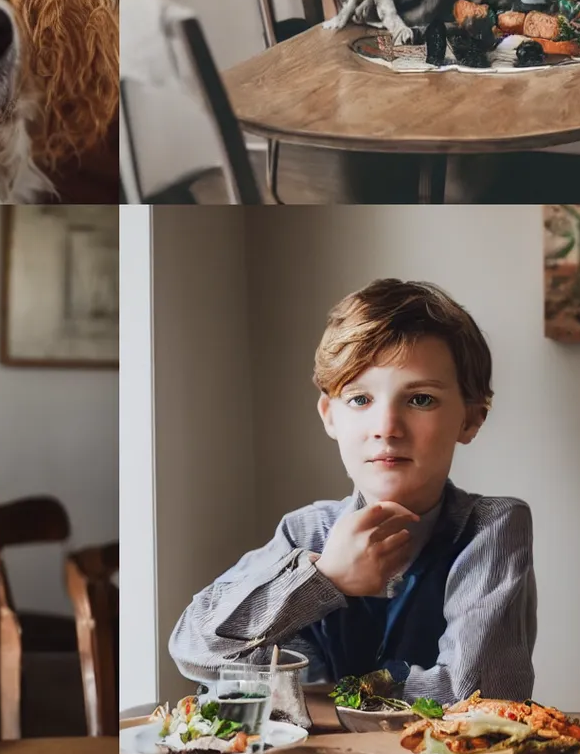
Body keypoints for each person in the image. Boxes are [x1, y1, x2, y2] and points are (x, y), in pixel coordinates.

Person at [169, 279, 536, 702]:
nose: (386, 428)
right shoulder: (305, 535)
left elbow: (474, 694)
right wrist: (324, 579)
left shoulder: (492, 528)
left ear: (470, 419)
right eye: (360, 400)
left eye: (420, 400)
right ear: (330, 416)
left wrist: (322, 695)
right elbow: (195, 649)